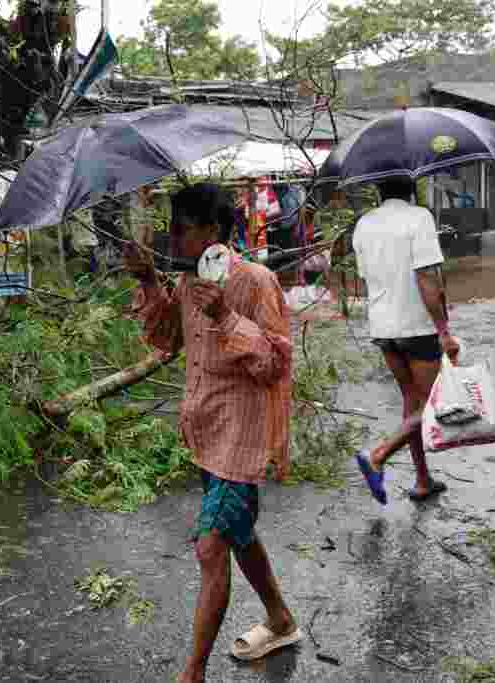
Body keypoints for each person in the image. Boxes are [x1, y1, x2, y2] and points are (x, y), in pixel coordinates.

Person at [125, 183, 300, 683]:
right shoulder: (187, 283)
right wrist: (149, 282)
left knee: (212, 545)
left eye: (182, 228)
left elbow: (273, 365)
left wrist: (225, 315)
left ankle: (193, 672)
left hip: (242, 439)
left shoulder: (257, 281)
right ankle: (281, 620)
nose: (173, 238)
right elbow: (165, 339)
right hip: (205, 433)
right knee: (239, 534)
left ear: (212, 230)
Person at [351, 177, 460, 506]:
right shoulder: (419, 218)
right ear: (412, 189)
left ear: (379, 191)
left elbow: (368, 277)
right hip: (416, 326)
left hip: (383, 328)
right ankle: (377, 455)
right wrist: (443, 330)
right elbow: (426, 278)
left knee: (412, 401)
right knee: (430, 405)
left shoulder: (363, 224)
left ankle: (423, 479)